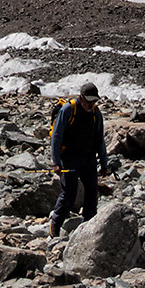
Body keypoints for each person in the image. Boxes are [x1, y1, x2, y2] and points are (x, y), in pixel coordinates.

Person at [47, 82, 109, 243]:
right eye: (89, 101)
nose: (91, 104)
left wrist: (104, 164)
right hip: (69, 157)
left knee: (91, 193)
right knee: (69, 193)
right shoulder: (68, 110)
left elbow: (99, 139)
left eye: (94, 101)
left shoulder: (96, 113)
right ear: (81, 98)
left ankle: (89, 228)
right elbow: (57, 136)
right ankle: (55, 223)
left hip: (88, 157)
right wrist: (56, 162)